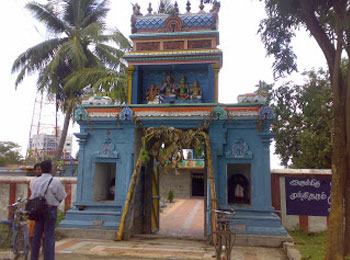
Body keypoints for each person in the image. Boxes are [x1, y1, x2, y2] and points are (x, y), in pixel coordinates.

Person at [30, 160, 67, 260]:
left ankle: (34, 257)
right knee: (49, 236)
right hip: (50, 209)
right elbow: (61, 196)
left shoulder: (35, 181)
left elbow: (33, 196)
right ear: (51, 169)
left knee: (37, 235)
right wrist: (55, 202)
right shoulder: (55, 181)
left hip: (37, 210)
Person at [28, 163, 42, 247]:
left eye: (41, 169)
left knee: (43, 231)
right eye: (38, 169)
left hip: (41, 206)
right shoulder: (32, 181)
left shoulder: (46, 180)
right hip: (33, 205)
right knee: (31, 227)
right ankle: (32, 247)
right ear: (34, 170)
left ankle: (43, 248)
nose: (39, 171)